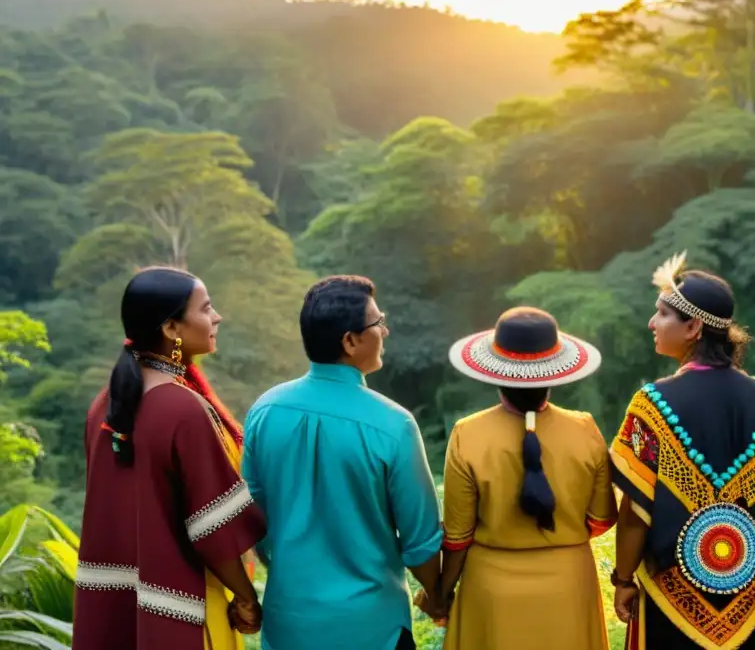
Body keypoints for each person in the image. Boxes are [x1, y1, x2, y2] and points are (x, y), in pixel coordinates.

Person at [242, 276, 443, 650]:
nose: (385, 329)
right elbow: (421, 542)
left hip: (290, 625)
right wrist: (436, 594)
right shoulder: (393, 424)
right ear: (350, 341)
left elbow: (252, 518)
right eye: (377, 322)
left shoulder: (264, 410)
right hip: (372, 628)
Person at [609, 252, 755, 650]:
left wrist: (623, 579)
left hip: (670, 598)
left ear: (693, 326)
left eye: (661, 314)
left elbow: (634, 511)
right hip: (746, 597)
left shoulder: (652, 404)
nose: (651, 323)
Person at [73, 267, 266, 650]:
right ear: (172, 329)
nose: (217, 317)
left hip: (114, 610)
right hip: (182, 610)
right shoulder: (181, 409)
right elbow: (215, 529)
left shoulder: (103, 406)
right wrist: (246, 597)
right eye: (206, 308)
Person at [435, 306, 616, 650]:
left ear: (496, 372)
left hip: (491, 592)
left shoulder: (467, 434)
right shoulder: (585, 429)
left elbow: (457, 538)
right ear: (554, 374)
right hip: (569, 587)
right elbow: (601, 519)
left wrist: (441, 594)